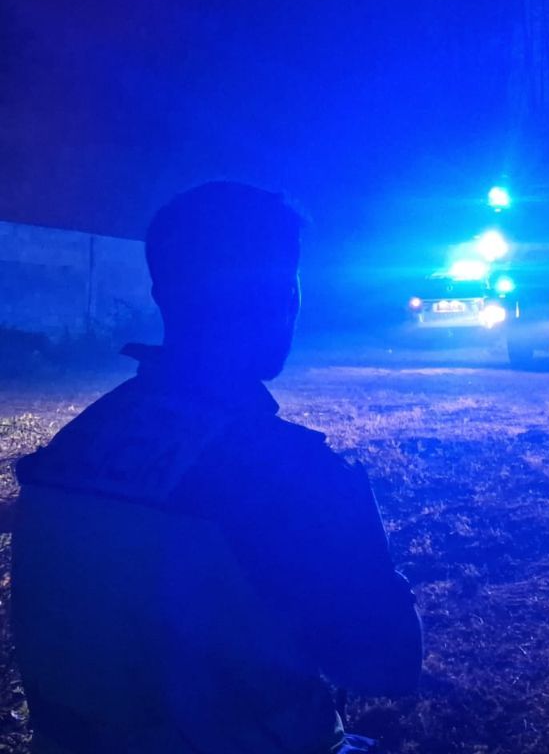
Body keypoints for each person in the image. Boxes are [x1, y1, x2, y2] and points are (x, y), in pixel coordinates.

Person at [12, 182, 422, 754]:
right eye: (285, 280)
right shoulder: (289, 472)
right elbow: (388, 664)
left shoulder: (70, 446)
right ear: (283, 294)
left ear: (162, 292)